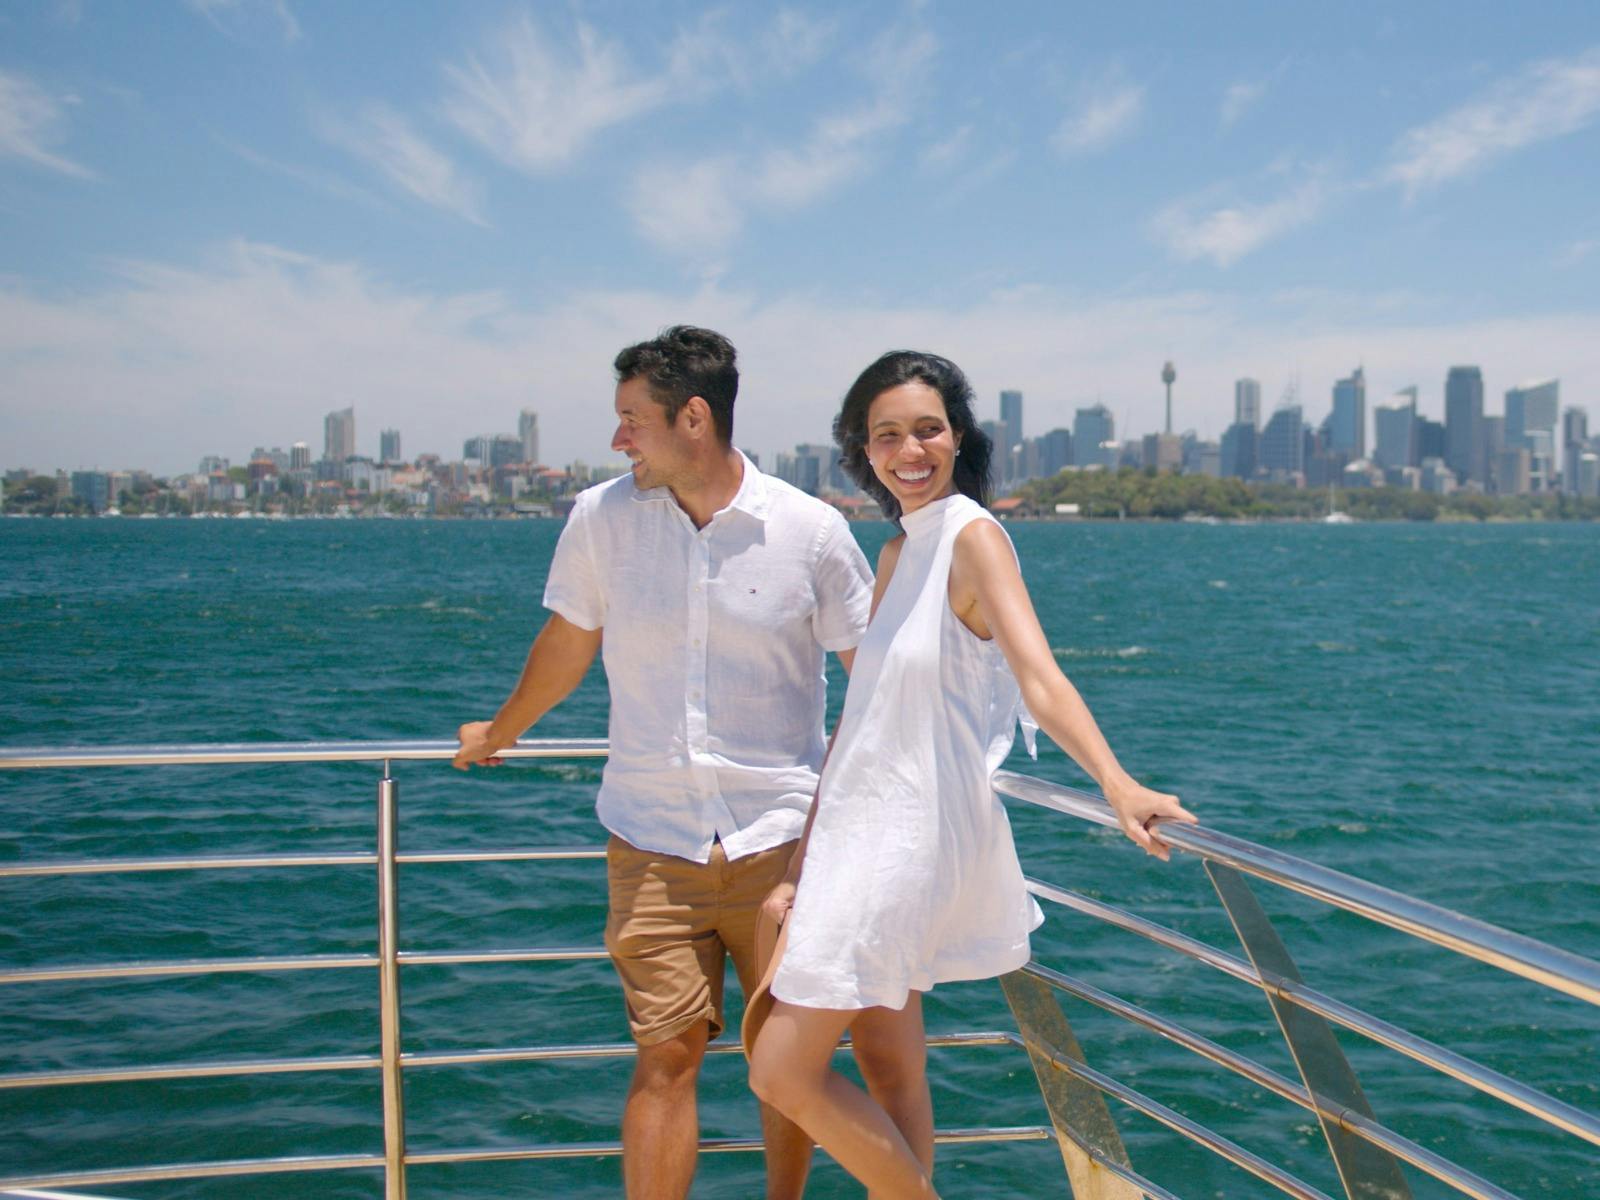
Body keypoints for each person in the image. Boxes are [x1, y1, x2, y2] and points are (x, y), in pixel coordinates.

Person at [747, 351, 1196, 1199]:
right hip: (858, 834)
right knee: (889, 1066)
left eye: (928, 429)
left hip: (909, 839)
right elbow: (860, 720)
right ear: (864, 450)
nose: (909, 450)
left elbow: (1040, 677)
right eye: (887, 435)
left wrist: (1117, 783)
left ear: (958, 437)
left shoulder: (973, 537)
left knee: (779, 1068)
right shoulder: (896, 553)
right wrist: (803, 866)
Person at [453, 326, 874, 1200]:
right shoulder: (599, 519)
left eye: (631, 420)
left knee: (785, 1061)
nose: (618, 440)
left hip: (783, 847)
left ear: (693, 419)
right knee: (665, 1056)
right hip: (650, 841)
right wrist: (499, 731)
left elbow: (871, 682)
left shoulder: (812, 532)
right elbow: (569, 643)